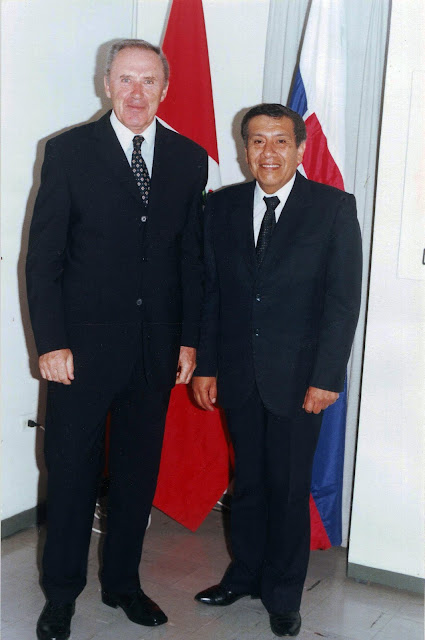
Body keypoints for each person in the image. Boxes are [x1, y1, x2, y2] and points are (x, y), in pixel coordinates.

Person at [26, 39, 207, 640]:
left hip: (155, 351)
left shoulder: (189, 158)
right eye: (126, 79)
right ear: (106, 84)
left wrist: (188, 339)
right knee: (70, 474)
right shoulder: (69, 151)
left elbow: (190, 259)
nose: (136, 92)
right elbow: (43, 258)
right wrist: (50, 342)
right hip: (79, 353)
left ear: (164, 89)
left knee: (135, 475)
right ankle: (61, 595)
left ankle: (123, 584)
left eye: (148, 81)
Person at [192, 103, 362, 638]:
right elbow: (213, 293)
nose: (269, 152)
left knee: (288, 487)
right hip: (238, 373)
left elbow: (342, 302)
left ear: (300, 149)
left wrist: (327, 377)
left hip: (300, 378)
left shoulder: (333, 208)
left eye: (281, 141)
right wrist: (207, 366)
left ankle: (284, 593)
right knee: (248, 482)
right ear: (245, 149)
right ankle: (243, 574)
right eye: (258, 141)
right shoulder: (222, 206)